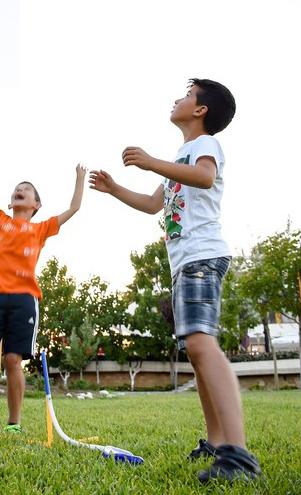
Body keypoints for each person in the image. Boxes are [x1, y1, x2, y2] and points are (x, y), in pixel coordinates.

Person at [89, 79, 261, 482]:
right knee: (197, 354)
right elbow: (154, 205)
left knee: (203, 345)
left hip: (202, 254)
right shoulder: (183, 154)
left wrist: (151, 162)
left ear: (200, 110)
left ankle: (238, 456)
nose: (177, 99)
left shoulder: (205, 147)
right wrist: (115, 189)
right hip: (185, 261)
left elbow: (203, 178)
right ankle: (217, 444)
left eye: (186, 94)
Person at [0, 149, 86, 434]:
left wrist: (79, 179)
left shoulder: (41, 229)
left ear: (36, 204)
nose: (20, 190)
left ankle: (13, 424)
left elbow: (74, 208)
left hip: (24, 301)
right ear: (11, 201)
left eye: (27, 190)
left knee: (12, 360)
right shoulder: (0, 221)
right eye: (17, 189)